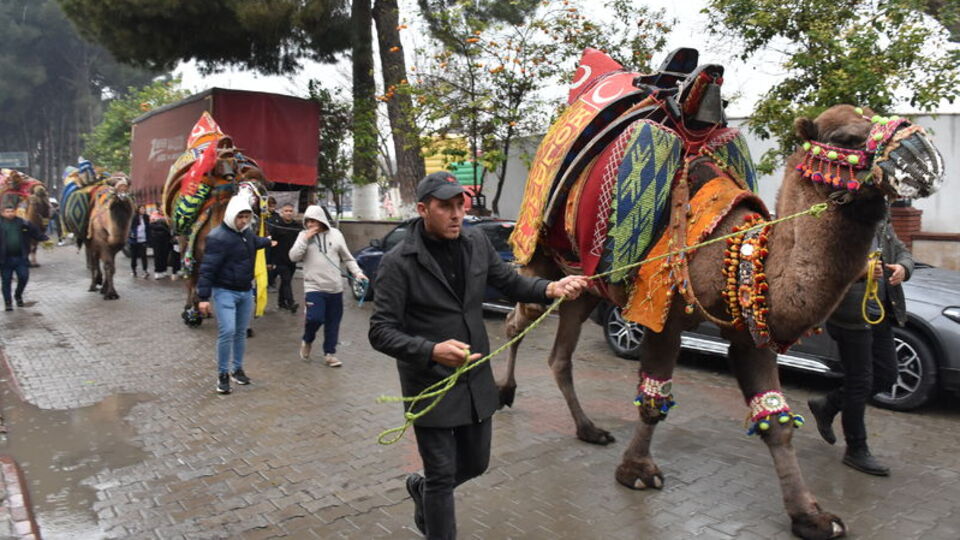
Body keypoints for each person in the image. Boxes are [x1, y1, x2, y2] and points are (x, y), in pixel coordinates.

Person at [368, 172, 589, 539]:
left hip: (475, 378)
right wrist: (431, 350)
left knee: (476, 462)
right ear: (423, 209)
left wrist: (551, 287)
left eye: (460, 205)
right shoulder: (398, 261)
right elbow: (380, 331)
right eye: (445, 207)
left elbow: (511, 282)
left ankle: (423, 491)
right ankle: (434, 504)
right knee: (441, 475)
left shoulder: (476, 242)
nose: (456, 214)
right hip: (429, 384)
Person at [808, 212, 914, 476]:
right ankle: (856, 450)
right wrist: (862, 271)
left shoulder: (880, 218)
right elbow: (824, 267)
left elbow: (901, 251)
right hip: (850, 316)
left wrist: (903, 267)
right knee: (860, 382)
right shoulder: (838, 221)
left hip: (880, 312)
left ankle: (828, 405)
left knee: (887, 375)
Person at [197, 195, 276, 395]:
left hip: (245, 290)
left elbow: (251, 243)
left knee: (241, 332)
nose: (243, 221)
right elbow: (207, 269)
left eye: (246, 217)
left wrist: (266, 242)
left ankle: (237, 369)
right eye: (240, 217)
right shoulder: (217, 237)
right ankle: (222, 374)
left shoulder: (246, 234)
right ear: (232, 215)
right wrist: (203, 298)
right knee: (228, 331)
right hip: (224, 291)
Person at [289, 205, 365, 367]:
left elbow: (348, 258)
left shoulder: (336, 235)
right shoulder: (303, 236)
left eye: (313, 220)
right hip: (314, 287)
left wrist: (358, 273)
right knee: (315, 318)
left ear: (321, 220)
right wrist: (304, 239)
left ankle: (330, 354)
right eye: (307, 221)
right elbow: (293, 257)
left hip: (335, 288)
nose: (310, 224)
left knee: (333, 322)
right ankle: (307, 339)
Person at [0, 203, 48, 311]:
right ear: (2, 213)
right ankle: (8, 302)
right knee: (6, 281)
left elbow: (35, 232)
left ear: (15, 211)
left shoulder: (23, 223)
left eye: (12, 211)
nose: (10, 214)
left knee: (23, 277)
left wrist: (45, 239)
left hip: (20, 257)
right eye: (7, 212)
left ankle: (18, 295)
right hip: (4, 259)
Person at [267, 202, 302, 312]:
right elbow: (269, 243)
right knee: (285, 280)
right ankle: (291, 303)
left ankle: (282, 303)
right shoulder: (276, 225)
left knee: (286, 281)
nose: (288, 213)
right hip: (278, 259)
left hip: (291, 260)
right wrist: (268, 261)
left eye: (290, 211)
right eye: (286, 211)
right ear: (281, 212)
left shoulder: (297, 226)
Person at [149, 211, 173, 279]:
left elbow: (170, 226)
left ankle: (164, 271)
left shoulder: (168, 216)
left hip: (166, 239)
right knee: (157, 256)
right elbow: (151, 225)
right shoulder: (154, 215)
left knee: (165, 255)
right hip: (157, 239)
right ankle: (157, 272)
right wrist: (163, 227)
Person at [128, 205, 151, 278]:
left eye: (144, 209)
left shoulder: (146, 217)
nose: (143, 210)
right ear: (138, 210)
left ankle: (145, 270)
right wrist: (132, 235)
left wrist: (148, 239)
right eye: (141, 209)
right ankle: (134, 270)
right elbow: (130, 228)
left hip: (143, 240)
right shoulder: (134, 217)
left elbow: (148, 228)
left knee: (144, 256)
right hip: (134, 240)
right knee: (134, 256)